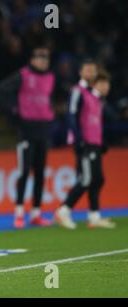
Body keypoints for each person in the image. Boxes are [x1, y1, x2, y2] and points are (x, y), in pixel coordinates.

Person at [0, 46, 55, 229]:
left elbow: (48, 97)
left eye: (46, 59)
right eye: (40, 58)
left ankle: (36, 212)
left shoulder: (51, 77)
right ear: (33, 60)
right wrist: (14, 110)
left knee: (41, 173)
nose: (43, 62)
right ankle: (19, 213)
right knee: (24, 171)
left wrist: (50, 112)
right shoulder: (23, 75)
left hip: (43, 129)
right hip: (27, 129)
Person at [55, 70, 116, 229]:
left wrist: (101, 142)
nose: (106, 86)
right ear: (94, 84)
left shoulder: (98, 100)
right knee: (86, 179)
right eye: (102, 83)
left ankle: (94, 216)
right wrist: (78, 139)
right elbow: (72, 116)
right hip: (85, 144)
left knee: (98, 179)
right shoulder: (85, 96)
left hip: (95, 144)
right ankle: (63, 210)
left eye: (107, 83)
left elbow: (98, 123)